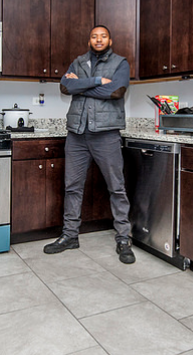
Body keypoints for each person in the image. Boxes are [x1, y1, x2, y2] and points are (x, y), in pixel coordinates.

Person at [42, 25, 135, 264]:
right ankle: (70, 235)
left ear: (110, 40)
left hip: (105, 134)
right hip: (77, 134)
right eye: (94, 36)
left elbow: (116, 91)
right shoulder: (79, 62)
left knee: (116, 187)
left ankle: (124, 238)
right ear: (89, 40)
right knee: (72, 186)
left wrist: (81, 87)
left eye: (103, 36)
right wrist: (95, 81)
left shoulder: (120, 63)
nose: (98, 39)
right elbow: (65, 87)